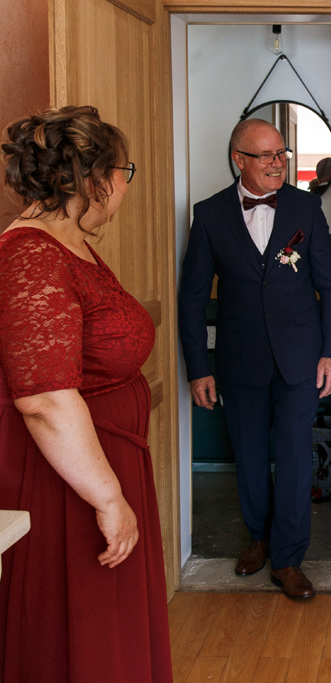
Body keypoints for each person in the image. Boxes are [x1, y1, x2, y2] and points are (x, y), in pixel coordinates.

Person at [0, 106, 171, 682]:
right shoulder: (31, 254)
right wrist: (107, 499)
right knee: (80, 630)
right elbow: (44, 399)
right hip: (66, 479)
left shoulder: (68, 245)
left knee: (110, 623)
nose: (126, 185)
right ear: (95, 178)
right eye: (126, 171)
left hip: (100, 460)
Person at [178, 119, 331, 598]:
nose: (278, 163)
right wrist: (199, 367)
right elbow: (191, 299)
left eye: (281, 154)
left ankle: (288, 559)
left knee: (294, 457)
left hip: (301, 357)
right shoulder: (209, 215)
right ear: (238, 159)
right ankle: (259, 538)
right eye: (266, 155)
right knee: (249, 456)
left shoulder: (306, 208)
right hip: (239, 358)